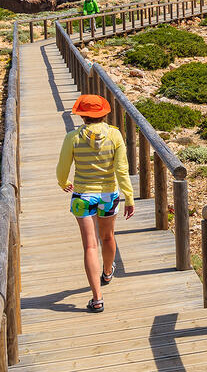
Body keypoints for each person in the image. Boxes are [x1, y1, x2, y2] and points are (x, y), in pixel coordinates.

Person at [56, 94, 135, 313]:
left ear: (81, 114)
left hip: (82, 196)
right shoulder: (115, 135)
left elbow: (62, 168)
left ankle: (97, 298)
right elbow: (121, 169)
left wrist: (63, 182)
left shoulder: (72, 137)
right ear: (104, 113)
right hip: (108, 195)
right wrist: (128, 197)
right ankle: (108, 271)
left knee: (90, 245)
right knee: (108, 237)